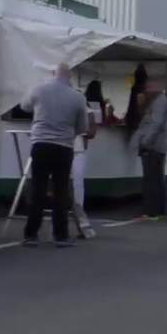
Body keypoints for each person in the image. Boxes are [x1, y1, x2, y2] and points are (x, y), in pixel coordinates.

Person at [21, 63, 88, 248]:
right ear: (70, 76)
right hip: (63, 147)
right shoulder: (78, 97)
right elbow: (82, 127)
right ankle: (61, 236)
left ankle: (31, 234)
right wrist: (68, 133)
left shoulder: (39, 89)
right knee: (61, 191)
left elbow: (24, 106)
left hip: (41, 144)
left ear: (53, 74)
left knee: (38, 189)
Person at [134, 80, 167, 218]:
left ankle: (151, 211)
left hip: (154, 146)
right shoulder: (159, 101)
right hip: (159, 145)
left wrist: (145, 141)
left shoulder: (158, 102)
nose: (146, 91)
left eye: (148, 89)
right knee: (157, 178)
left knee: (151, 179)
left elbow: (155, 124)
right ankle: (159, 211)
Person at [72, 88, 101, 238]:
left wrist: (81, 131)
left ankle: (79, 213)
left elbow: (92, 132)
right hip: (67, 147)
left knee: (77, 182)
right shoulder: (69, 109)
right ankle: (77, 215)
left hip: (78, 150)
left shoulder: (88, 111)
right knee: (70, 183)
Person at [124, 64, 148, 130]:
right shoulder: (143, 90)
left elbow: (132, 105)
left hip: (133, 121)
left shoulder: (134, 89)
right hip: (140, 122)